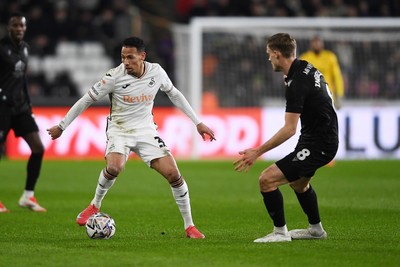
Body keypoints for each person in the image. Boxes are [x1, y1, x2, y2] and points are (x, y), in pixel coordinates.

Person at [47, 36, 216, 239]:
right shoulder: (113, 77)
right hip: (119, 129)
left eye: (130, 57)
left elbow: (175, 95)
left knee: (173, 174)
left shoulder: (157, 72)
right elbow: (85, 101)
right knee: (114, 167)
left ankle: (190, 227)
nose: (125, 62)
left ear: (142, 56)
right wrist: (62, 126)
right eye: (122, 57)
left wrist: (197, 122)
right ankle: (94, 205)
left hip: (146, 130)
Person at [234, 33, 338, 243]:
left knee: (267, 179)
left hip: (319, 143)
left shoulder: (297, 83)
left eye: (269, 55)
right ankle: (316, 230)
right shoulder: (305, 67)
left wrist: (257, 151)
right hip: (319, 137)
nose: (268, 59)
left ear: (277, 54)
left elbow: (289, 129)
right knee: (299, 184)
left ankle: (280, 232)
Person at [0, 12, 46, 213]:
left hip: (20, 108)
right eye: (15, 25)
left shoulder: (25, 49)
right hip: (1, 108)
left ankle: (28, 196)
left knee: (38, 148)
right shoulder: (1, 48)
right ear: (8, 27)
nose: (19, 28)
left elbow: (22, 80)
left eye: (22, 25)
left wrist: (28, 105)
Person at [300, 35, 344, 109]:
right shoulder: (305, 58)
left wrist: (339, 94)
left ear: (322, 44)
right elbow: (300, 78)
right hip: (311, 97)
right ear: (311, 44)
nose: (316, 45)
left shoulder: (330, 57)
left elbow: (337, 76)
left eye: (318, 42)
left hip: (328, 95)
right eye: (314, 42)